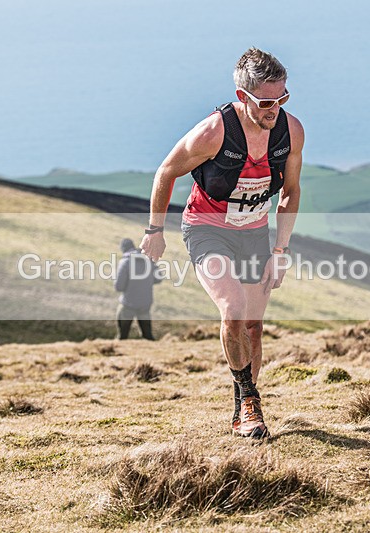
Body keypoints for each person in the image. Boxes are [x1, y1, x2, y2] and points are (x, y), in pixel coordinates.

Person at [140, 47, 304, 439]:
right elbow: (166, 172)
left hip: (254, 233)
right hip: (207, 228)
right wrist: (154, 231)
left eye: (283, 98)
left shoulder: (291, 130)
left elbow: (291, 192)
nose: (275, 109)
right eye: (266, 101)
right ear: (243, 96)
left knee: (253, 327)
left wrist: (280, 252)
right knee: (232, 309)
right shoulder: (213, 132)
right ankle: (250, 402)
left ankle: (241, 409)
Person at [114, 238, 161, 340]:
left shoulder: (125, 262)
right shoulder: (148, 259)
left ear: (123, 249)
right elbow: (158, 278)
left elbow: (119, 286)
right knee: (148, 336)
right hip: (145, 304)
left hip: (128, 304)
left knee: (122, 336)